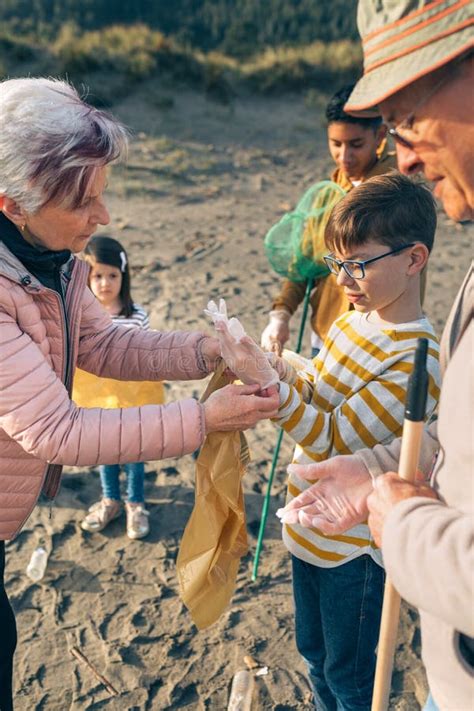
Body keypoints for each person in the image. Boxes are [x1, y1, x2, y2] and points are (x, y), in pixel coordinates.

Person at [0, 77, 280, 711]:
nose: (103, 218)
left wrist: (208, 351)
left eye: (102, 194)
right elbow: (56, 432)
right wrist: (203, 419)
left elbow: (106, 344)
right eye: (83, 203)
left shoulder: (53, 258)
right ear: (12, 203)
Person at [277, 3, 473, 710]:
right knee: (320, 662)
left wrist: (398, 521)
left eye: (409, 117)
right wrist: (375, 469)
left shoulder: (414, 346)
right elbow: (450, 452)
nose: (404, 153)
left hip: (370, 560)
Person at [270, 173, 441, 710]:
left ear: (414, 259)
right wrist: (275, 368)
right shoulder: (350, 322)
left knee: (350, 676)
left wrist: (271, 395)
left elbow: (326, 437)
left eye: (358, 264)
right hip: (308, 530)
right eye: (336, 264)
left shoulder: (417, 358)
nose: (343, 279)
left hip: (355, 552)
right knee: (313, 654)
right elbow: (317, 389)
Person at [261, 84, 396, 356]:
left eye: (356, 145)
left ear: (380, 135)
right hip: (325, 335)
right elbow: (305, 262)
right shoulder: (326, 195)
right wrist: (281, 314)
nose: (344, 157)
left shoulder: (397, 193)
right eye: (336, 144)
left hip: (378, 339)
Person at [72, 235, 164, 539]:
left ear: (123, 276)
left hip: (132, 401)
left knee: (135, 453)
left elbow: (147, 354)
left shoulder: (136, 316)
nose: (104, 283)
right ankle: (111, 499)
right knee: (106, 451)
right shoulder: (82, 317)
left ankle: (135, 504)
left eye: (112, 275)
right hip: (99, 404)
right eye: (97, 276)